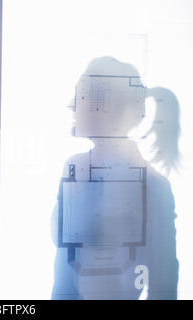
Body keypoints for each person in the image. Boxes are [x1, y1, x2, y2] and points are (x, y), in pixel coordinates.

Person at [51, 56, 180, 300]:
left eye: (80, 97)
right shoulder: (74, 167)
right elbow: (63, 271)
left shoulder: (153, 186)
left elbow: (164, 283)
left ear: (105, 108)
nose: (71, 105)